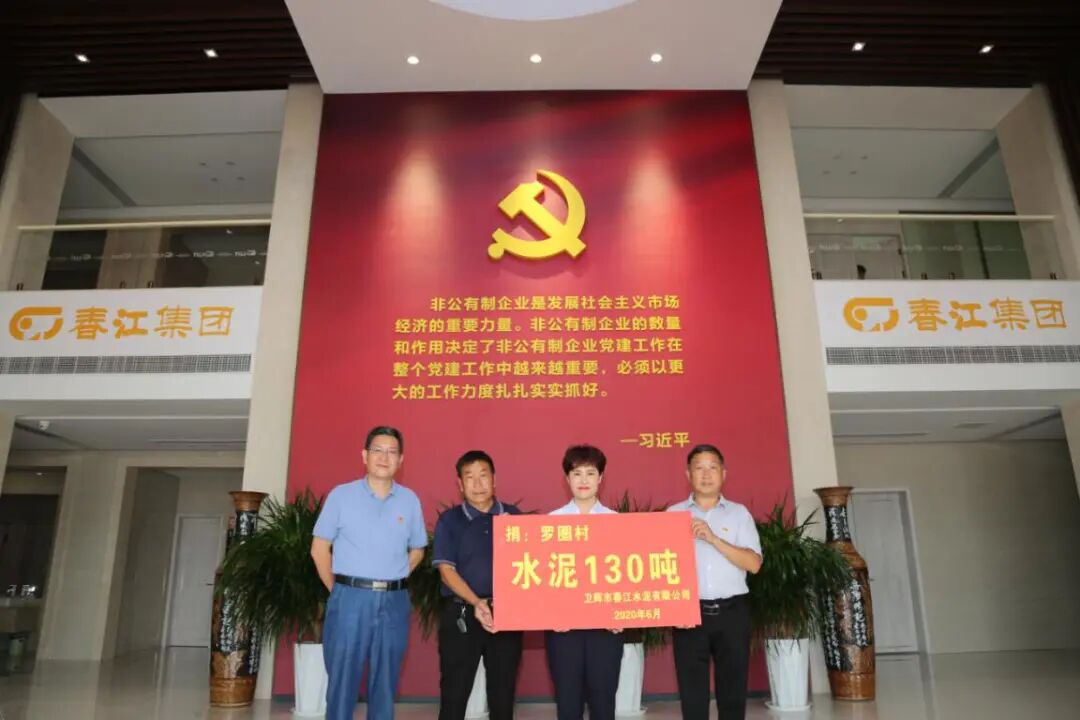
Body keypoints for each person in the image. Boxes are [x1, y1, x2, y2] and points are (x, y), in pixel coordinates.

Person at [310, 425, 428, 720]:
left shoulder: (409, 500)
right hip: (350, 598)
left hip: (394, 601)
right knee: (342, 681)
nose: (384, 458)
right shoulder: (341, 496)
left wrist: (395, 574)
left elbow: (418, 549)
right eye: (378, 450)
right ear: (364, 455)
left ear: (401, 460)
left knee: (385, 683)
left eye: (392, 452)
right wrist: (338, 590)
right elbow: (319, 549)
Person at [668, 444, 762, 720]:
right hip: (688, 616)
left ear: (724, 473)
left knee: (732, 693)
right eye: (699, 468)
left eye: (713, 467)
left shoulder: (739, 514)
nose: (706, 474)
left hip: (732, 613)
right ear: (688, 474)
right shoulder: (673, 514)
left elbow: (754, 564)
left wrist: (713, 539)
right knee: (692, 695)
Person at [432, 450, 524, 720]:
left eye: (483, 476)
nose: (478, 483)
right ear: (460, 484)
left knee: (503, 696)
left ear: (494, 479)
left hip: (506, 616)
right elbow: (446, 571)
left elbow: (531, 565)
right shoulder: (449, 521)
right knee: (454, 694)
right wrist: (477, 602)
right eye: (469, 477)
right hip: (461, 614)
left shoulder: (514, 517)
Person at [545, 445, 623, 720]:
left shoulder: (617, 523)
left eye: (590, 473)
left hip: (606, 628)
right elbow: (543, 579)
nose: (583, 480)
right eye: (577, 473)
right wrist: (551, 615)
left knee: (603, 704)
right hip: (563, 629)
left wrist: (621, 614)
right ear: (567, 478)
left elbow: (627, 577)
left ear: (601, 478)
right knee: (568, 704)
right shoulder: (551, 524)